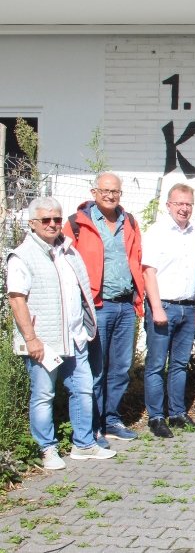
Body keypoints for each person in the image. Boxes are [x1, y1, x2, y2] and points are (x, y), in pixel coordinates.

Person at [8, 197, 116, 469]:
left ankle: (84, 444)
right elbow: (17, 299)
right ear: (33, 223)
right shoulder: (22, 255)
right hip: (45, 342)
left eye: (57, 219)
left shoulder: (68, 250)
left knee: (82, 390)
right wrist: (31, 339)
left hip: (75, 337)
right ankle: (47, 449)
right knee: (44, 395)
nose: (53, 224)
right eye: (46, 220)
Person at [69, 172, 145, 443]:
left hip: (125, 306)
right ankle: (92, 425)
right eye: (105, 191)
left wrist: (139, 298)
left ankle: (111, 419)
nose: (110, 195)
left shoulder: (130, 222)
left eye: (115, 191)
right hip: (97, 307)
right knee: (95, 370)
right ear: (94, 192)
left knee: (121, 368)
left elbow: (136, 260)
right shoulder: (77, 224)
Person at [141, 184, 195, 438]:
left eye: (188, 204)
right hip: (163, 306)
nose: (184, 208)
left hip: (187, 309)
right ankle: (156, 417)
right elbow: (148, 271)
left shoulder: (194, 232)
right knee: (156, 364)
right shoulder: (157, 232)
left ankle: (177, 413)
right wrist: (156, 307)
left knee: (179, 364)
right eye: (179, 203)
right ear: (168, 205)